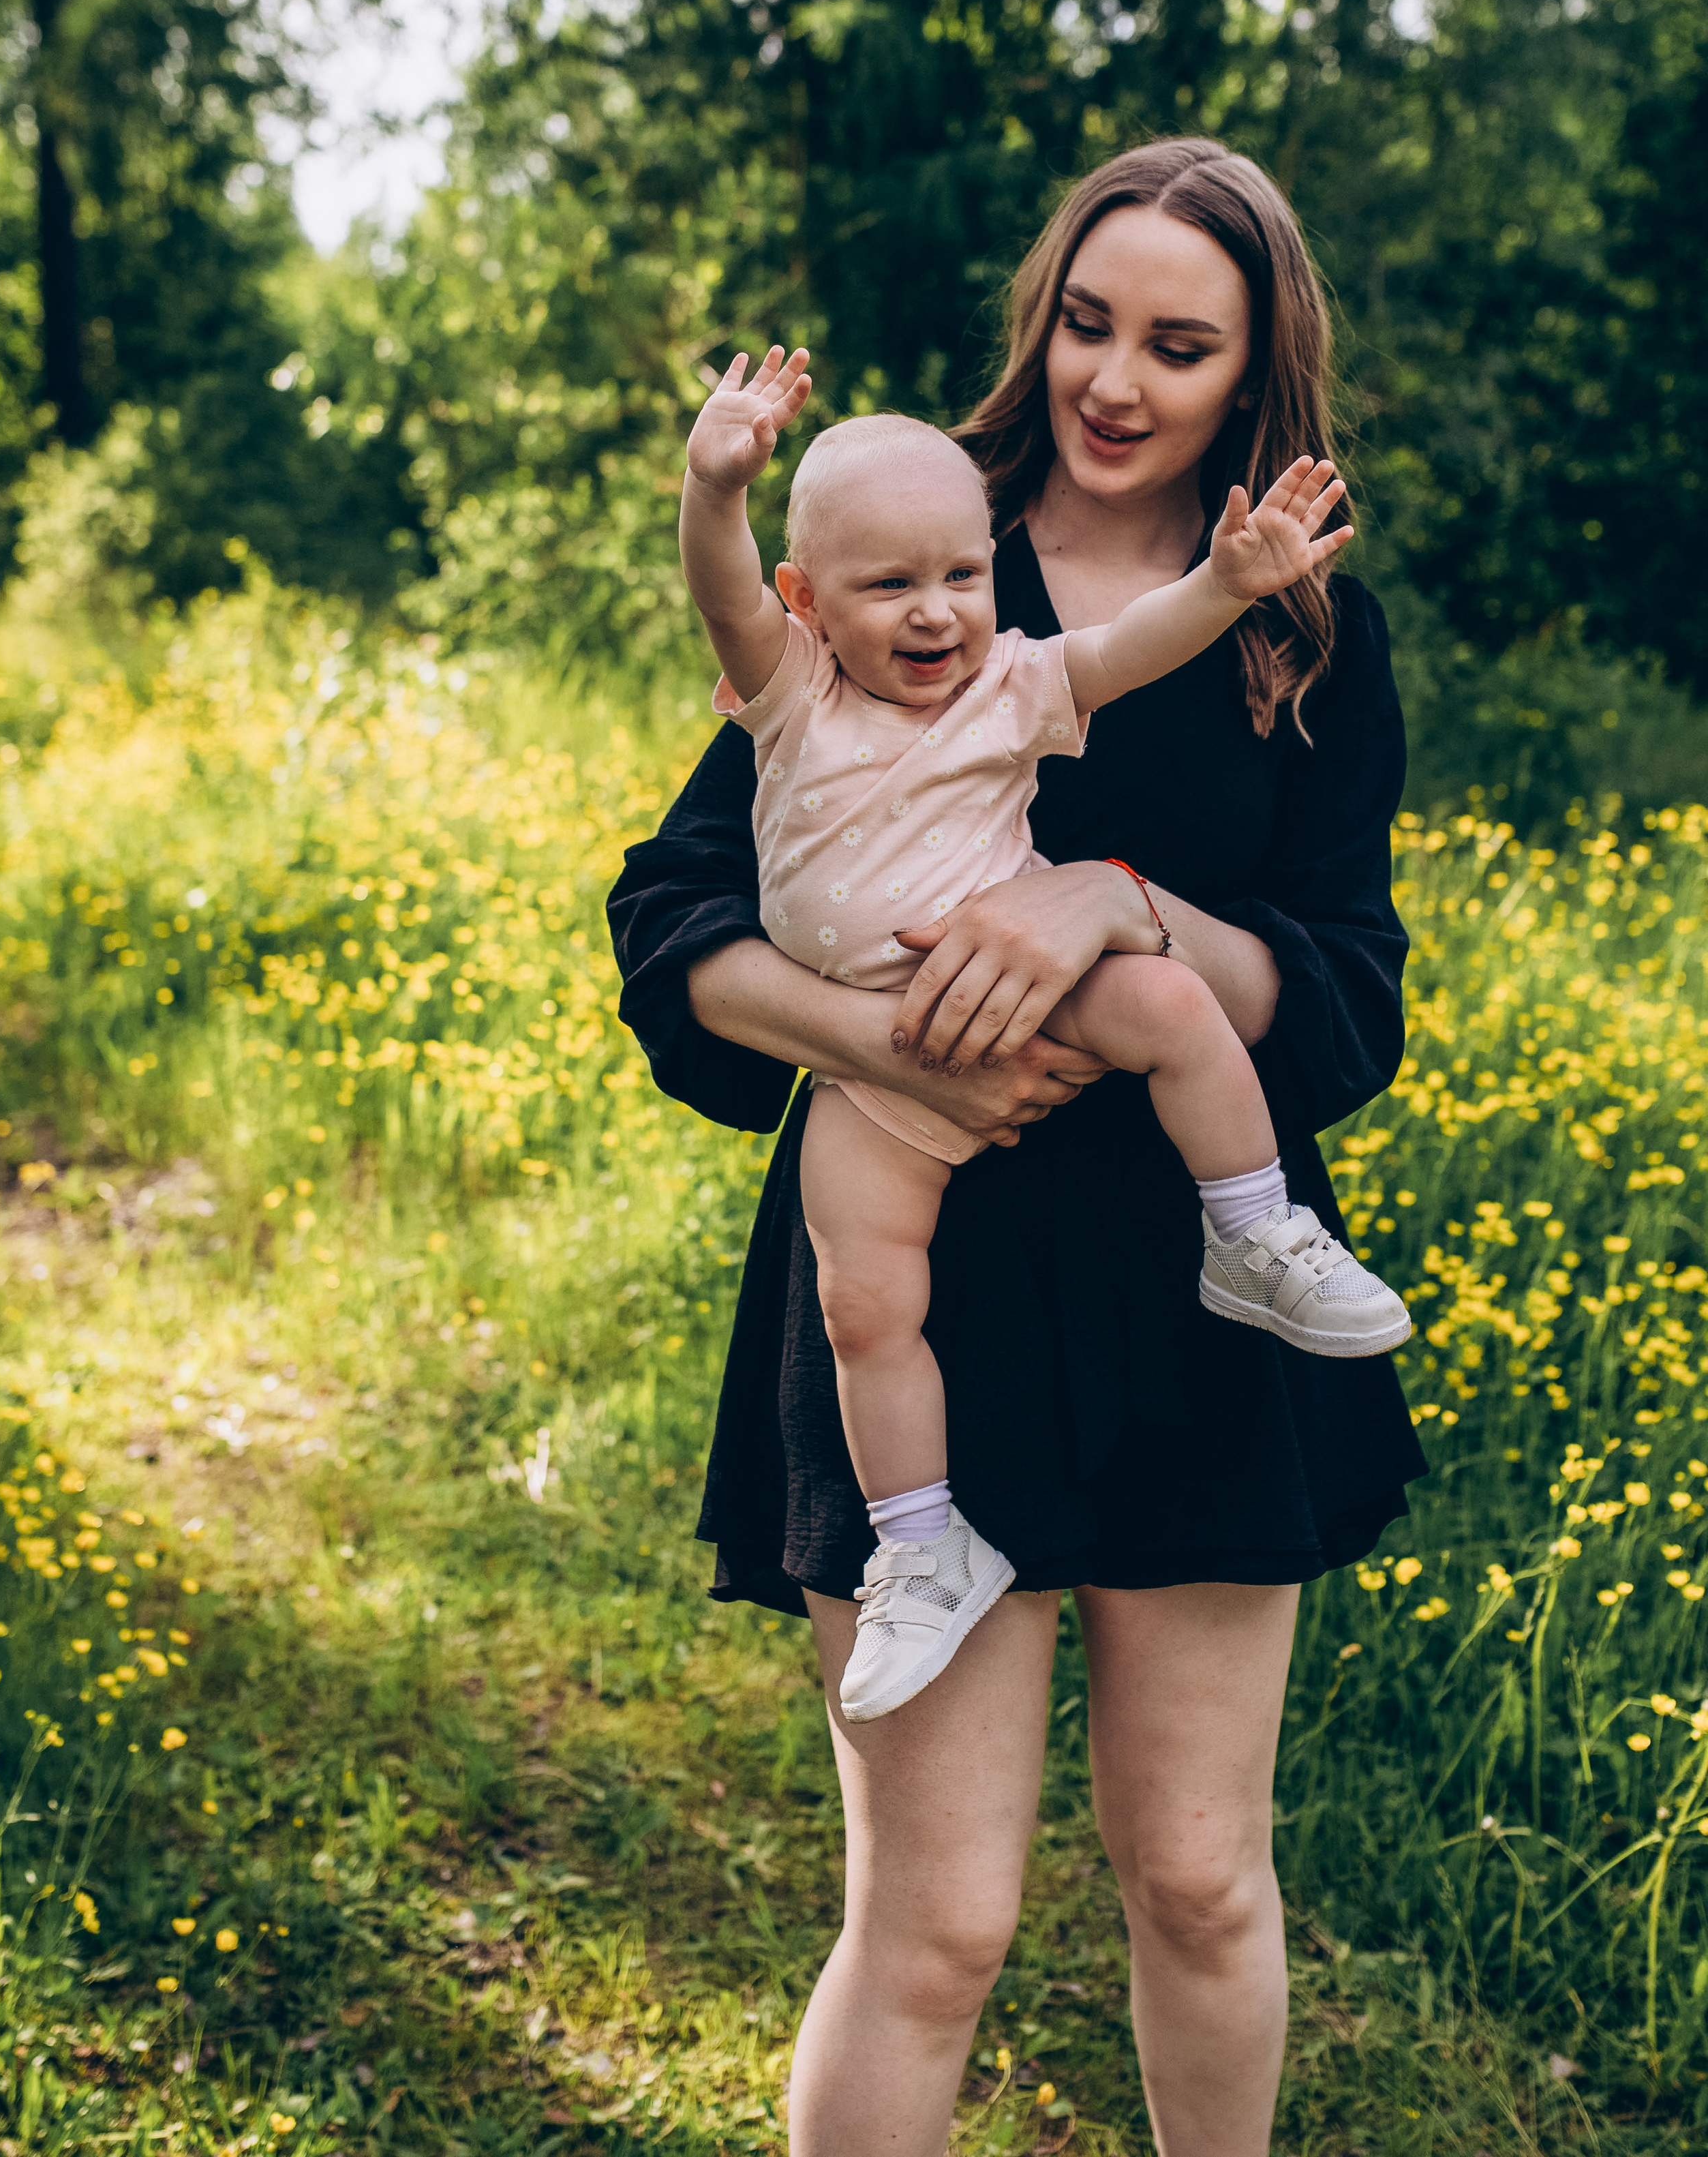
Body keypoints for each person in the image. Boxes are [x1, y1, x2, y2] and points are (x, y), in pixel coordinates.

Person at [609, 138, 1427, 2157]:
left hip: (1202, 1297)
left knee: (1203, 1877)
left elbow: (1347, 994)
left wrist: (1115, 904)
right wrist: (879, 1039)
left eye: (1178, 342)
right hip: (922, 1287)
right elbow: (678, 909)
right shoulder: (908, 552)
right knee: (937, 1923)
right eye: (1086, 322)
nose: (1116, 378)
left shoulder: (1302, 627)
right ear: (1038, 316)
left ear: (1256, 374)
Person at [676, 363, 1412, 1727]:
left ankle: (1251, 1231)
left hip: (1043, 1017)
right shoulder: (791, 699)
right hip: (876, 1075)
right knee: (860, 1301)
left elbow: (1129, 647)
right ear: (807, 603)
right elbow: (720, 590)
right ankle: (920, 1538)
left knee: (1166, 1000)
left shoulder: (1006, 687)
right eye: (889, 585)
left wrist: (1233, 583)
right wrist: (714, 482)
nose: (935, 610)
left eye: (960, 576)